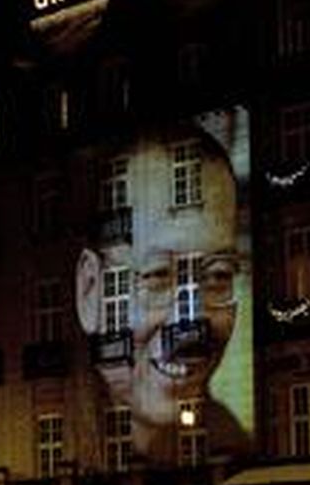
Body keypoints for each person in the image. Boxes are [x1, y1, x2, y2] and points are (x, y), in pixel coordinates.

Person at [76, 119, 251, 464]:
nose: (190, 321)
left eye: (217, 276)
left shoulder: (238, 441)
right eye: (157, 277)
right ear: (90, 291)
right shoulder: (80, 426)